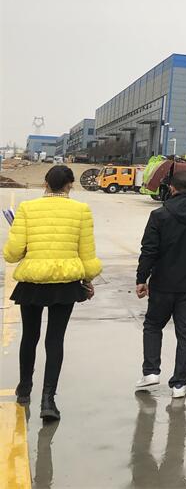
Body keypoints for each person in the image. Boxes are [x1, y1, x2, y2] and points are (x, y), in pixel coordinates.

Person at [3, 165, 102, 420]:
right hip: (66, 282)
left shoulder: (27, 208)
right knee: (55, 339)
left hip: (33, 281)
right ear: (70, 185)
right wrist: (88, 279)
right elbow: (87, 252)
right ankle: (48, 400)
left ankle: (25, 389)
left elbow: (12, 253)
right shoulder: (81, 210)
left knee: (30, 336)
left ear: (45, 184)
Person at [134, 169, 186, 398]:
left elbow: (149, 250)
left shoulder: (159, 215)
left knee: (153, 325)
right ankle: (179, 385)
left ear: (171, 189)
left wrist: (142, 278)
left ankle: (151, 372)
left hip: (162, 282)